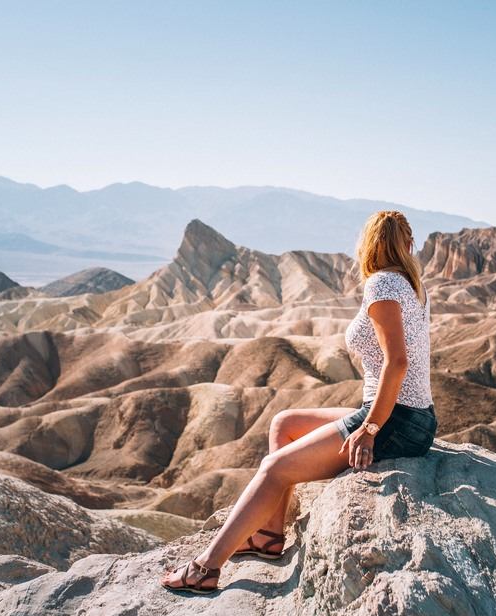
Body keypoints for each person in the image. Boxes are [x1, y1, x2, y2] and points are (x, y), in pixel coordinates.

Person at [161, 210, 437, 594]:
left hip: (396, 421)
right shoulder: (411, 284)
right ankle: (270, 536)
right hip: (409, 415)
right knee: (284, 424)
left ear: (369, 246)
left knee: (275, 468)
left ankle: (206, 567)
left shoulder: (382, 285)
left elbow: (398, 363)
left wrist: (369, 429)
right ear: (406, 245)